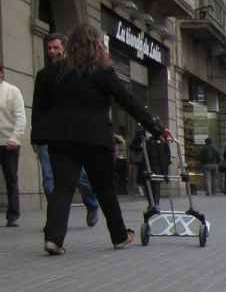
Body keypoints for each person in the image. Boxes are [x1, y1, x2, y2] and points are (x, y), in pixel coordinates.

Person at [32, 23, 169, 255]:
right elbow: (128, 101)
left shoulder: (48, 73)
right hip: (96, 139)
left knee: (62, 189)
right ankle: (119, 236)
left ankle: (54, 239)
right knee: (105, 189)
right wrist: (156, 128)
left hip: (61, 140)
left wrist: (38, 139)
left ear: (70, 45)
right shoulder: (102, 71)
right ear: (96, 45)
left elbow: (39, 110)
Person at [36, 33, 100, 227]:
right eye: (49, 48)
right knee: (49, 181)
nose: (52, 52)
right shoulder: (44, 75)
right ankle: (54, 222)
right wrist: (36, 135)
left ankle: (92, 203)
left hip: (70, 134)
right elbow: (38, 106)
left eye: (56, 48)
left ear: (64, 48)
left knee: (79, 177)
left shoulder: (74, 72)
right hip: (49, 134)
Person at [0, 63, 26, 227]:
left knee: (11, 179)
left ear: (1, 73)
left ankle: (13, 215)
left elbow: (21, 116)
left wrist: (15, 138)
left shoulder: (12, 91)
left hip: (8, 143)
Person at [113, 126, 129, 195]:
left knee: (118, 176)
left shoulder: (119, 139)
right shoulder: (124, 139)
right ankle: (123, 190)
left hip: (119, 159)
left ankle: (119, 190)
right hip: (123, 159)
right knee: (123, 176)